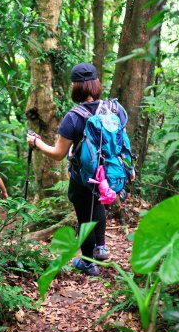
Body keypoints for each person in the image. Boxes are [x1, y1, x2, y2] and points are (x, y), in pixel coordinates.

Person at [26, 63, 134, 276]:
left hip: (84, 174)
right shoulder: (114, 109)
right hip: (109, 172)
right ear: (96, 84)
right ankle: (100, 247)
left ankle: (88, 262)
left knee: (85, 213)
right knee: (99, 204)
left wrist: (36, 142)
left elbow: (58, 153)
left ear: (75, 86)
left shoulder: (74, 117)